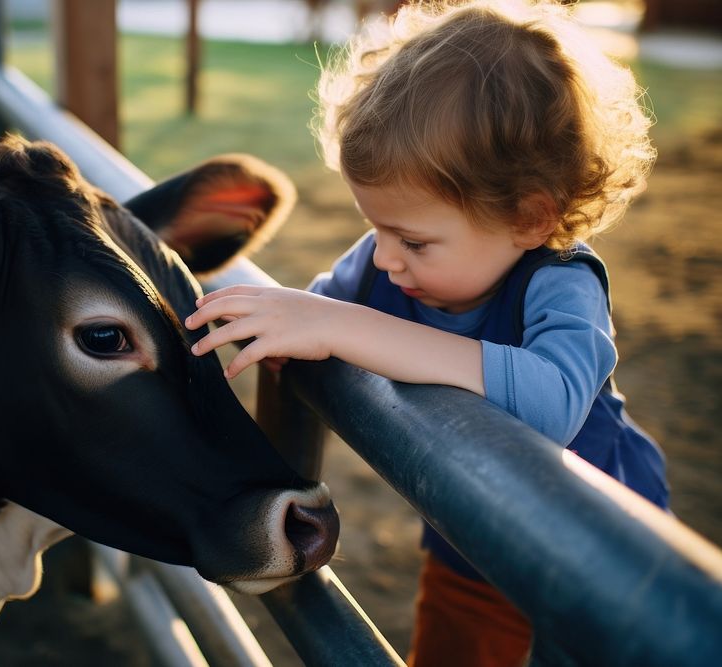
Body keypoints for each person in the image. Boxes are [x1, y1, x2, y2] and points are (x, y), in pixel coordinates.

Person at [184, 1, 669, 665]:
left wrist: (340, 324)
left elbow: (552, 403)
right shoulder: (391, 260)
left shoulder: (560, 279)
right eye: (375, 228)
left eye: (411, 238)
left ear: (529, 218)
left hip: (604, 566)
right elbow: (318, 320)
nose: (382, 258)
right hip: (468, 548)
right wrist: (297, 323)